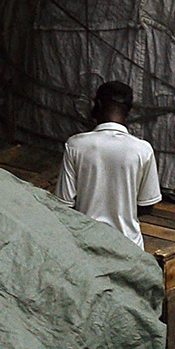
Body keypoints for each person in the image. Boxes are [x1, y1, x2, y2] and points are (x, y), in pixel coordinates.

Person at [58, 82, 159, 251]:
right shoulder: (143, 150)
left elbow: (65, 204)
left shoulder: (76, 145)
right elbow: (146, 205)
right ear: (129, 111)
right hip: (129, 248)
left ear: (97, 105)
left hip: (85, 246)